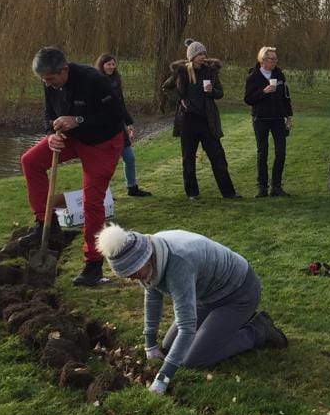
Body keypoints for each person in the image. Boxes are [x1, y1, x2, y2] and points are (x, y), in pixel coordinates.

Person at [96, 223, 288, 395]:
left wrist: (164, 377)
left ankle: (258, 330)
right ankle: (225, 324)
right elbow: (152, 296)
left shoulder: (178, 265)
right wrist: (150, 343)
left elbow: (186, 327)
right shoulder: (147, 256)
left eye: (134, 274)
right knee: (169, 346)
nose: (133, 279)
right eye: (128, 276)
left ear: (145, 259)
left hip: (238, 294)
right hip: (205, 296)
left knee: (192, 360)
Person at [20, 47, 125, 287]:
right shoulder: (49, 83)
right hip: (71, 137)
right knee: (31, 161)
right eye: (44, 81)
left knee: (91, 201)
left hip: (103, 141)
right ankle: (46, 224)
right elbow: (48, 115)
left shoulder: (94, 80)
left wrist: (78, 120)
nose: (48, 84)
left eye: (50, 79)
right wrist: (51, 134)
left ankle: (93, 265)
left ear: (64, 70)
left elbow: (115, 116)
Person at [165, 39, 240, 200]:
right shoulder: (182, 71)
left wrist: (212, 91)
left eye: (204, 53)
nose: (203, 56)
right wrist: (180, 99)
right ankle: (192, 193)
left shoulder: (210, 72)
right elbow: (166, 88)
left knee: (218, 156)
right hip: (188, 121)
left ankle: (229, 192)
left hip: (207, 121)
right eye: (199, 54)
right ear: (191, 56)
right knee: (188, 158)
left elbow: (220, 93)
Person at [95, 53, 152, 198]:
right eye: (108, 64)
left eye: (113, 64)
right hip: (104, 129)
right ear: (102, 65)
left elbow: (121, 105)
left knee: (129, 157)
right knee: (106, 163)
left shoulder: (116, 81)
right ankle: (104, 193)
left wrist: (129, 122)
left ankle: (132, 187)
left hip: (119, 126)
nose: (112, 67)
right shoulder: (95, 82)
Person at [244, 46, 293, 198]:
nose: (275, 61)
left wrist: (289, 117)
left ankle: (276, 186)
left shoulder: (279, 75)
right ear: (263, 60)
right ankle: (262, 187)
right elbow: (248, 99)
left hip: (278, 118)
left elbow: (286, 97)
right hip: (261, 119)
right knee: (262, 153)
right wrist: (263, 92)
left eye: (276, 59)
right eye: (272, 59)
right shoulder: (253, 77)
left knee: (281, 152)